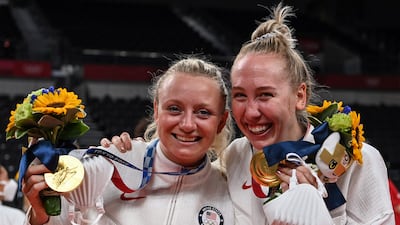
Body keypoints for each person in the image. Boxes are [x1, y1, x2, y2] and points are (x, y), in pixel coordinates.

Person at [104, 3, 394, 225]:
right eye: (241, 95)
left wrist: (328, 210)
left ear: (300, 96)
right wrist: (130, 163)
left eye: (265, 95)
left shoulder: (357, 160)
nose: (251, 112)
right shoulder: (237, 156)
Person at [21, 57, 235, 225]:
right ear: (157, 111)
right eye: (174, 109)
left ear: (221, 121)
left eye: (203, 112)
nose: (188, 124)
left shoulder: (232, 194)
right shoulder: (107, 165)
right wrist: (41, 218)